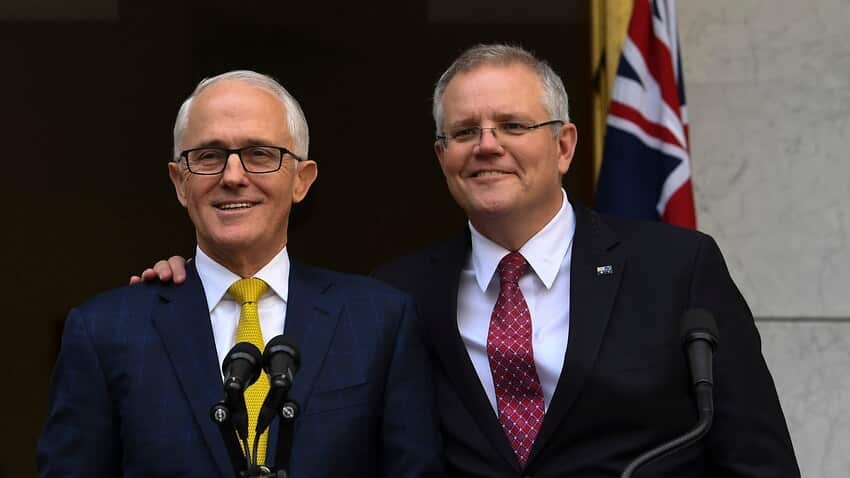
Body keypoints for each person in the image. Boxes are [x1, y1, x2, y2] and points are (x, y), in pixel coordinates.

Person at [135, 45, 800, 477]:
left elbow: (756, 459)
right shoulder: (393, 298)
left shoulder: (675, 267)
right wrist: (191, 286)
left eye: (512, 126)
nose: (486, 146)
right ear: (441, 157)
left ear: (564, 145)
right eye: (462, 133)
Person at [38, 71, 443, 478]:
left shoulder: (379, 321)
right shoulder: (105, 331)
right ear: (180, 183)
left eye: (260, 154)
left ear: (302, 180)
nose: (232, 177)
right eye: (209, 156)